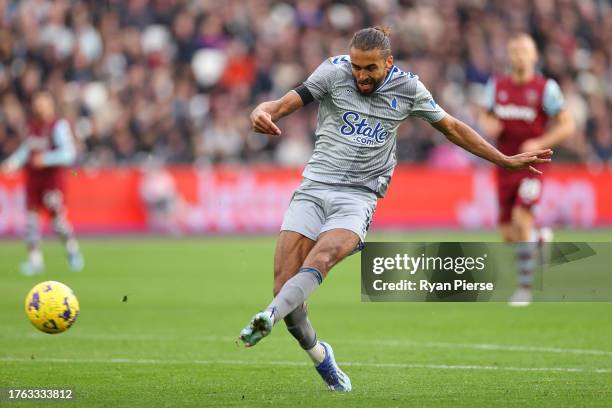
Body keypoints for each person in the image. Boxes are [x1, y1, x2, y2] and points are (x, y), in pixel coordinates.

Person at [238, 27, 551, 392]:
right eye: (356, 66)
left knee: (321, 259)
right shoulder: (333, 72)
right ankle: (320, 355)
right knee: (284, 286)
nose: (361, 75)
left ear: (388, 63)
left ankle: (268, 316)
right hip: (314, 187)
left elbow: (451, 127)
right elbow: (282, 104)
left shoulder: (409, 89)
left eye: (369, 68)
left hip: (359, 196)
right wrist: (262, 110)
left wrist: (503, 159)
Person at [479, 34, 574, 306]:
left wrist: (540, 143)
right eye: (514, 50)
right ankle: (539, 238)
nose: (519, 55)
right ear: (509, 56)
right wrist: (488, 124)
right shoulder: (497, 86)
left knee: (522, 220)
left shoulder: (545, 88)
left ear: (534, 56)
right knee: (509, 235)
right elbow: (486, 113)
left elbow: (567, 124)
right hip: (504, 164)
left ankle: (524, 288)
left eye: (524, 50)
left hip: (533, 166)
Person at [1, 91, 84, 275]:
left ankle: (72, 250)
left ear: (51, 106)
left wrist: (45, 159)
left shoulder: (58, 126)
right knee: (31, 221)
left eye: (43, 103)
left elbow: (69, 154)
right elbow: (27, 149)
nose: (40, 107)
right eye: (37, 103)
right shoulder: (30, 126)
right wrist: (12, 163)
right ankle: (35, 260)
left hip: (51, 181)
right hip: (33, 179)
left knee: (57, 221)